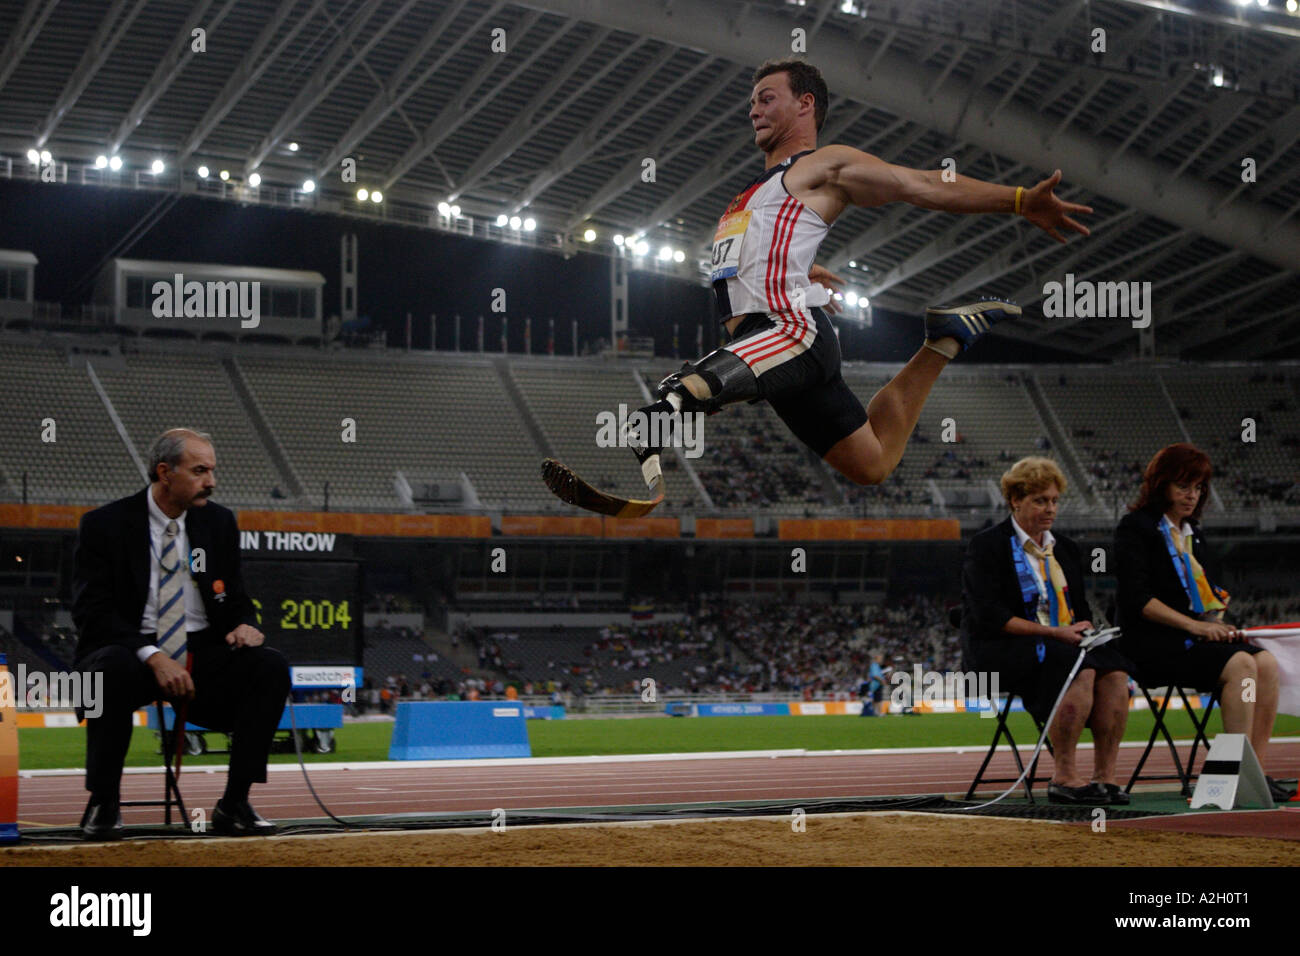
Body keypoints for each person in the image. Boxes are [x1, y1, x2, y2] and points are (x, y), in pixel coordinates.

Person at [624, 58, 1091, 496]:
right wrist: (799, 269)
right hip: (772, 346)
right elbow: (750, 262)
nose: (753, 111)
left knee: (685, 393)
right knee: (872, 463)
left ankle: (667, 410)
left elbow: (923, 184)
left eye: (767, 98)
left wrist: (1018, 200)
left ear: (805, 104)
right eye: (751, 103)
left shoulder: (821, 165)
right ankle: (943, 341)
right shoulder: (753, 193)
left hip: (789, 331)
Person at [72, 428, 290, 839]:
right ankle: (103, 801)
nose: (212, 481)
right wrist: (152, 655)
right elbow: (92, 613)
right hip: (130, 651)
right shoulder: (104, 525)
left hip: (202, 653)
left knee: (270, 667)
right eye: (200, 470)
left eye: (212, 470)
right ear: (164, 472)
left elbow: (236, 596)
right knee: (108, 670)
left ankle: (234, 804)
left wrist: (246, 624)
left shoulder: (218, 522)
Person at [1114, 443, 1295, 802]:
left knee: (1267, 663)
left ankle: (1253, 771)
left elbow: (1213, 595)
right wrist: (1196, 626)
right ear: (1161, 484)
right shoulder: (1135, 528)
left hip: (1193, 643)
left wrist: (1216, 620)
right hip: (1151, 644)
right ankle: (1233, 775)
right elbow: (1138, 600)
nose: (1192, 495)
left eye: (1198, 487)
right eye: (1183, 486)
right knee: (1243, 663)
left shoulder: (1195, 534)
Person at [961, 458, 1131, 805]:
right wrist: (1054, 633)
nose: (1050, 509)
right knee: (1076, 665)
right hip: (1001, 649)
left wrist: (1086, 631)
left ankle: (1105, 778)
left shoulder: (1064, 549)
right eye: (1040, 500)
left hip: (1060, 644)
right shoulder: (988, 546)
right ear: (1015, 500)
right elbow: (990, 616)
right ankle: (1065, 776)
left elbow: (1078, 610)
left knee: (1114, 670)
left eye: (1054, 500)